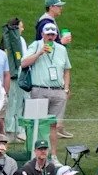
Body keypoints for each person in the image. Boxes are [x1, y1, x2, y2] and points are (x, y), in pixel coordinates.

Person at [21, 23, 72, 165]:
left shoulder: (61, 49)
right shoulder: (35, 45)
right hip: (39, 90)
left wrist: (66, 88)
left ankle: (53, 156)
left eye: (53, 34)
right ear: (42, 34)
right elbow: (24, 63)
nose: (50, 37)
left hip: (58, 91)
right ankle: (34, 155)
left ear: (56, 36)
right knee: (36, 124)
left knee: (53, 125)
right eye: (48, 34)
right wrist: (39, 53)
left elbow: (67, 69)